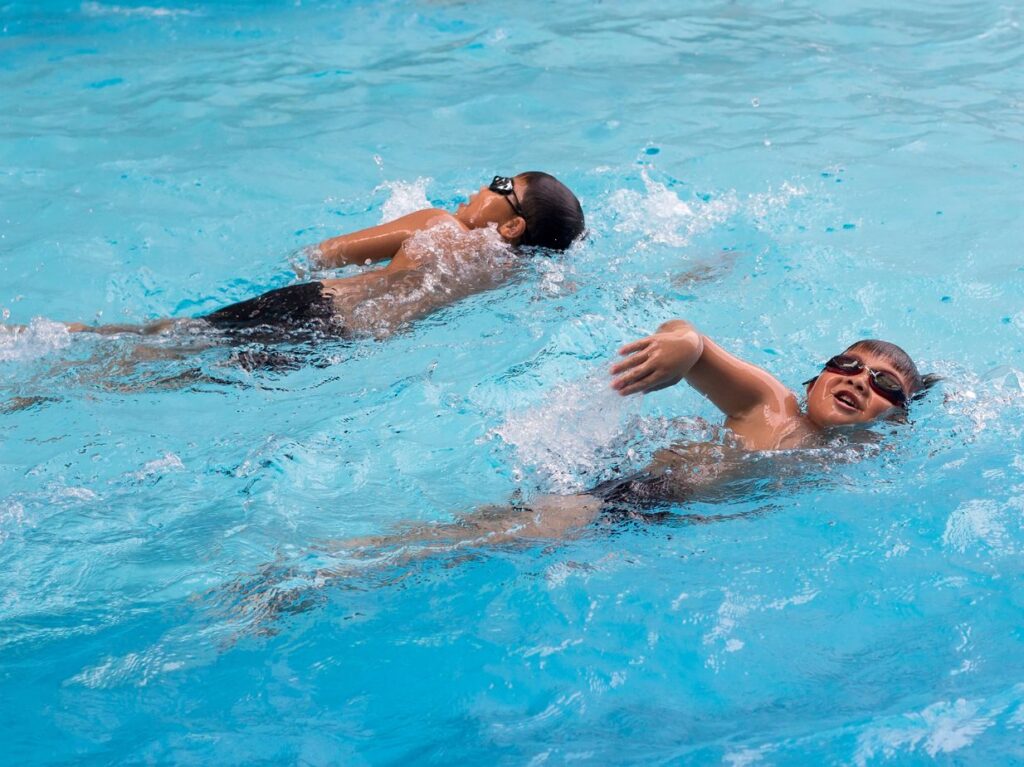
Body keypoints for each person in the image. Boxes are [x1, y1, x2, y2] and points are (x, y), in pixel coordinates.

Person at [48, 172, 585, 341]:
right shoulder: (510, 278)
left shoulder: (439, 225)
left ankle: (48, 340)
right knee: (171, 373)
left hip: (310, 308)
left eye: (499, 184)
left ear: (512, 224)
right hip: (335, 348)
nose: (481, 187)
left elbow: (323, 254)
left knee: (148, 343)